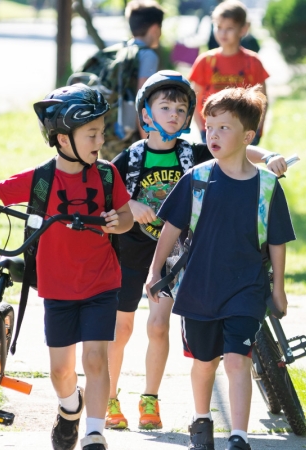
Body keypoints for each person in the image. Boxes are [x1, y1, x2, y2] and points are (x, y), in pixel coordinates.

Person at [0, 84, 134, 450]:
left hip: (102, 283)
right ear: (61, 138)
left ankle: (94, 433)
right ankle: (70, 408)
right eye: (91, 133)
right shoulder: (41, 179)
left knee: (96, 359)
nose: (100, 140)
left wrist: (117, 222)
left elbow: (126, 215)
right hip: (58, 287)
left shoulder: (106, 175)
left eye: (101, 132)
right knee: (60, 371)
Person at [105, 70, 289, 432]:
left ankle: (150, 399)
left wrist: (269, 156)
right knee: (121, 327)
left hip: (177, 253)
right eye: (165, 107)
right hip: (131, 249)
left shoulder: (194, 152)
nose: (174, 114)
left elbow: (239, 146)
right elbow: (104, 183)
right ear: (146, 114)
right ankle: (110, 397)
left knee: (158, 326)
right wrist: (130, 203)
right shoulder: (133, 156)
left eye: (181, 108)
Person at [145, 86, 295, 450]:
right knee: (204, 361)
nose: (213, 134)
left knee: (236, 361)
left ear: (248, 136)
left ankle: (239, 437)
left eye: (224, 128)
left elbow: (276, 240)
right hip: (198, 287)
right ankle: (202, 420)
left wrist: (278, 289)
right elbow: (171, 229)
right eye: (209, 126)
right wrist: (154, 273)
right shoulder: (196, 179)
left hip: (246, 287)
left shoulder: (266, 186)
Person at [189, 0, 269, 145]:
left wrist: (256, 130)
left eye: (229, 28)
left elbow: (262, 100)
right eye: (219, 27)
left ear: (243, 29)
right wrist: (202, 130)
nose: (223, 33)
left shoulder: (253, 62)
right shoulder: (205, 61)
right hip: (212, 132)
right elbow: (194, 99)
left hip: (242, 132)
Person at [126, 0, 164, 140]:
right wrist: (146, 141)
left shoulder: (123, 50)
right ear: (155, 29)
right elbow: (141, 98)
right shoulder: (148, 55)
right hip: (132, 134)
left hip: (112, 132)